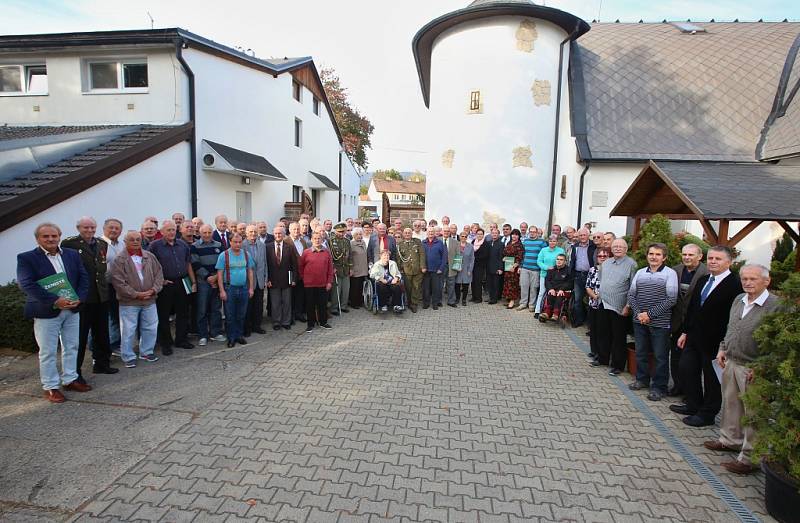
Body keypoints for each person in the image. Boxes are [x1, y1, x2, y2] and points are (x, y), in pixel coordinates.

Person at [704, 264, 780, 474]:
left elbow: (780, 342)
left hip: (754, 368)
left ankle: (751, 458)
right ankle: (730, 440)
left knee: (754, 414)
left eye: (752, 279)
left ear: (766, 281)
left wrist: (764, 366)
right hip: (731, 361)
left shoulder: (776, 306)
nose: (747, 282)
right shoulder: (739, 299)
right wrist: (722, 348)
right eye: (744, 278)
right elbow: (731, 327)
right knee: (731, 405)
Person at [17, 223, 90, 403]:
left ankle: (70, 379)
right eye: (46, 236)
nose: (50, 239)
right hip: (46, 311)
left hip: (72, 309)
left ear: (59, 236)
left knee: (72, 346)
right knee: (48, 351)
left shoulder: (71, 255)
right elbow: (26, 284)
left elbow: (84, 277)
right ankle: (50, 386)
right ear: (38, 239)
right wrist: (55, 300)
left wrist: (80, 297)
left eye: (54, 236)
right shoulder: (27, 258)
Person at [671, 246, 743, 427]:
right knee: (687, 368)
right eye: (711, 258)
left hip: (716, 341)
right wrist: (685, 332)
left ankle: (707, 414)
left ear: (729, 262)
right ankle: (693, 404)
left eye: (718, 259)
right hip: (694, 336)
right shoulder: (703, 280)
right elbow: (693, 308)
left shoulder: (735, 285)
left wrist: (725, 344)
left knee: (712, 379)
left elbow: (734, 317)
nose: (712, 262)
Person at [61, 217, 118, 379]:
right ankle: (75, 372)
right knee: (79, 337)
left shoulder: (101, 244)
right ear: (78, 228)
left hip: (101, 296)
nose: (89, 230)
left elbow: (101, 270)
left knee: (102, 333)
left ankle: (102, 364)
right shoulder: (70, 244)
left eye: (92, 227)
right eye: (86, 227)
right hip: (83, 297)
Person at [627, 243, 679, 401]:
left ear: (664, 257)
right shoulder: (640, 272)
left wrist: (649, 314)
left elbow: (672, 299)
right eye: (651, 254)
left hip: (660, 323)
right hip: (640, 321)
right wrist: (639, 314)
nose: (653, 257)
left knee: (660, 356)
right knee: (641, 353)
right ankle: (642, 380)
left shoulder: (670, 274)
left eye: (657, 254)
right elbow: (631, 295)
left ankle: (659, 387)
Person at [111, 230, 163, 368]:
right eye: (131, 239)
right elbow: (118, 282)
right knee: (128, 330)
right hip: (129, 302)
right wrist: (136, 294)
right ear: (125, 242)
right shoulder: (119, 259)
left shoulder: (149, 256)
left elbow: (159, 274)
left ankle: (146, 351)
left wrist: (153, 290)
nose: (135, 242)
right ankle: (128, 356)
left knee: (150, 327)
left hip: (150, 299)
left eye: (138, 239)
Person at [148, 220, 196, 355]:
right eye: (168, 230)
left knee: (183, 313)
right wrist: (160, 281)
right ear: (161, 232)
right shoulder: (154, 246)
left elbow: (188, 264)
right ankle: (166, 343)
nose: (171, 232)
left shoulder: (183, 245)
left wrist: (193, 282)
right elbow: (149, 266)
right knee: (163, 315)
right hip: (165, 284)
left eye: (173, 230)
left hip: (182, 282)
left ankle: (181, 340)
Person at [669, 244, 708, 396]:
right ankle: (677, 386)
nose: (687, 257)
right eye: (684, 254)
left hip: (694, 324)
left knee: (691, 361)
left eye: (691, 255)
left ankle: (689, 392)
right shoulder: (675, 270)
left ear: (699, 256)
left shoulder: (707, 273)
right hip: (677, 321)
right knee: (675, 356)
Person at [599, 239, 638, 376]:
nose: (617, 249)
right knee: (604, 333)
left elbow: (633, 288)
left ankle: (618, 365)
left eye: (621, 247)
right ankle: (603, 358)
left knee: (619, 337)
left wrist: (628, 306)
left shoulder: (632, 264)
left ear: (626, 249)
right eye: (615, 246)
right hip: (603, 303)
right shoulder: (607, 262)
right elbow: (601, 279)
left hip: (619, 306)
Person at [216, 233, 254, 347]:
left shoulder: (246, 254)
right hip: (229, 289)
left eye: (240, 242)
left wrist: (251, 288)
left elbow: (250, 272)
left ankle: (239, 335)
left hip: (243, 289)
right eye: (235, 242)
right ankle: (231, 337)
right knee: (230, 315)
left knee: (241, 314)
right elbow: (219, 274)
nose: (238, 244)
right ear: (230, 242)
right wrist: (222, 291)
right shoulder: (224, 255)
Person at [191, 224, 225, 346]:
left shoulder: (218, 245)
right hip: (203, 283)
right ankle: (203, 335)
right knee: (202, 310)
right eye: (204, 233)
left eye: (209, 232)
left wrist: (216, 277)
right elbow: (195, 264)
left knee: (216, 308)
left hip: (216, 281)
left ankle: (215, 333)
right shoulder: (194, 246)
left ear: (212, 233)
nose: (207, 235)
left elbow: (222, 262)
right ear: (200, 233)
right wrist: (208, 277)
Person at [299, 231, 334, 332]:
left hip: (323, 283)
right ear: (311, 240)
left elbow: (330, 268)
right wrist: (304, 279)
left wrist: (329, 282)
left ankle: (323, 322)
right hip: (309, 284)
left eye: (319, 238)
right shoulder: (306, 252)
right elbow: (300, 267)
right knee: (310, 305)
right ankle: (311, 324)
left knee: (322, 304)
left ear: (322, 240)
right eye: (314, 238)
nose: (317, 240)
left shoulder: (326, 252)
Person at [266, 225, 297, 330]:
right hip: (273, 280)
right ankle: (276, 322)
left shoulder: (289, 247)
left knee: (287, 302)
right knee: (275, 303)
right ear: (273, 234)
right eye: (276, 233)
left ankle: (286, 322)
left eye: (280, 233)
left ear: (284, 235)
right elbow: (266, 265)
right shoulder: (268, 247)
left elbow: (294, 265)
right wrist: (267, 279)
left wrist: (293, 279)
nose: (278, 235)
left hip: (287, 279)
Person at [101, 218, 124, 356]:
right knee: (104, 318)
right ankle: (98, 350)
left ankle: (115, 345)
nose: (114, 230)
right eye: (111, 227)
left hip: (119, 286)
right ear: (104, 229)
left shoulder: (121, 245)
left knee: (116, 316)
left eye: (117, 228)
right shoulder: (99, 244)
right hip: (104, 286)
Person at [587, 247, 610, 366]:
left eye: (604, 256)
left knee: (602, 331)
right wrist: (594, 296)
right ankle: (594, 351)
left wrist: (601, 298)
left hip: (605, 305)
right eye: (599, 256)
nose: (602, 258)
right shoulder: (592, 269)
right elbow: (588, 286)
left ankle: (601, 355)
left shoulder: (611, 270)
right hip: (593, 302)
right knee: (593, 328)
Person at [568, 228, 596, 327]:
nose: (582, 237)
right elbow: (572, 260)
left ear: (588, 235)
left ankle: (590, 323)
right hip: (578, 275)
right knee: (577, 300)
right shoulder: (575, 246)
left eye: (584, 235)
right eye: (580, 235)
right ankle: (579, 320)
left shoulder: (593, 246)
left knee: (591, 300)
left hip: (590, 275)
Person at [243, 225, 268, 336]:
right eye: (251, 232)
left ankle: (257, 326)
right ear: (246, 233)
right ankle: (247, 328)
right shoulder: (242, 245)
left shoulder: (262, 245)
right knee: (248, 306)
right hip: (248, 281)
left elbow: (265, 263)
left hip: (260, 280)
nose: (253, 233)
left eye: (255, 231)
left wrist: (266, 278)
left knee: (259, 306)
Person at [397, 227, 426, 313]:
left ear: (411, 233)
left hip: (418, 269)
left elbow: (422, 254)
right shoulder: (400, 244)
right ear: (403, 234)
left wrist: (423, 266)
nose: (407, 234)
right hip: (407, 270)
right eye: (405, 233)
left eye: (409, 233)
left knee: (416, 287)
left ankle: (414, 304)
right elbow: (398, 258)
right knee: (408, 288)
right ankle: (409, 302)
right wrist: (400, 269)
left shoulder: (417, 242)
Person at [535, 235, 565, 316]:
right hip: (544, 274)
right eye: (551, 241)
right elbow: (539, 261)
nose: (552, 242)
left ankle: (551, 311)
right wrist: (547, 268)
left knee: (554, 293)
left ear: (557, 242)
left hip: (556, 276)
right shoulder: (543, 250)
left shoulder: (561, 250)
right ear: (548, 241)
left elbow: (562, 261)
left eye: (554, 241)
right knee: (542, 292)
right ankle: (537, 311)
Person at [519, 226, 546, 312]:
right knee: (524, 286)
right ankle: (523, 303)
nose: (532, 233)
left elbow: (544, 255)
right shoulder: (525, 241)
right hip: (525, 268)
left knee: (534, 288)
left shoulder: (542, 242)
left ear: (537, 232)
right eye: (530, 231)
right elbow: (522, 255)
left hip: (536, 269)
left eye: (534, 232)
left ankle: (532, 305)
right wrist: (520, 266)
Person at [539, 254, 573, 321]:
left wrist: (561, 289)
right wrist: (551, 289)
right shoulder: (551, 269)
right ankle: (547, 313)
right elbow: (547, 281)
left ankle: (556, 314)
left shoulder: (569, 270)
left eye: (561, 260)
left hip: (564, 291)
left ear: (565, 261)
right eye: (557, 259)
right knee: (550, 294)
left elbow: (570, 283)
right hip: (553, 289)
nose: (559, 261)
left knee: (559, 295)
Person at [287, 222, 310, 324]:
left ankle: (299, 313)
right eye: (294, 229)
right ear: (290, 230)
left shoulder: (303, 241)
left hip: (302, 273)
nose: (296, 231)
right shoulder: (286, 241)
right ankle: (291, 316)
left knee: (300, 294)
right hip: (291, 273)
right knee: (291, 295)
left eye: (297, 229)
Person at [329, 223, 352, 315]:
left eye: (343, 231)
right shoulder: (331, 241)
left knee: (346, 289)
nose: (342, 233)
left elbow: (350, 255)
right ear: (335, 231)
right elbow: (330, 256)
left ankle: (343, 306)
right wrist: (333, 267)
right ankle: (334, 307)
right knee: (336, 290)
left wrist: (351, 267)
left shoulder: (347, 241)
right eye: (340, 232)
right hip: (337, 268)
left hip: (345, 268)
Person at [422, 227, 447, 309]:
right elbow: (420, 256)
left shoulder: (440, 243)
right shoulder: (423, 243)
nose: (431, 233)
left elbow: (444, 257)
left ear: (435, 233)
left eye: (432, 232)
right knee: (426, 288)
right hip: (425, 270)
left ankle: (435, 304)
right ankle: (426, 303)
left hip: (436, 270)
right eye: (429, 231)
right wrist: (422, 267)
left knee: (436, 288)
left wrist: (441, 268)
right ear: (427, 233)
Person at [501, 229, 524, 309]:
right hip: (507, 266)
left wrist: (514, 266)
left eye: (516, 234)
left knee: (513, 284)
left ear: (519, 236)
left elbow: (520, 257)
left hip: (514, 268)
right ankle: (509, 299)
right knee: (507, 283)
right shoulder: (509, 243)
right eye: (513, 234)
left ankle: (512, 301)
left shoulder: (519, 245)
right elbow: (505, 253)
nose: (514, 236)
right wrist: (504, 258)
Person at [349, 228, 369, 309]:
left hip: (363, 268)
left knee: (361, 286)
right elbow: (349, 257)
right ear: (353, 235)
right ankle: (353, 303)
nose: (359, 236)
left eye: (360, 234)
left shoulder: (363, 242)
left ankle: (359, 301)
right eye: (357, 234)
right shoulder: (351, 243)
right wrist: (351, 268)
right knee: (355, 287)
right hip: (355, 268)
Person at [454, 231, 475, 306]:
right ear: (460, 237)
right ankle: (457, 298)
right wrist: (455, 267)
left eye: (465, 236)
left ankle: (464, 300)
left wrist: (470, 270)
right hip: (457, 268)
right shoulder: (456, 245)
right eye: (462, 236)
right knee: (457, 284)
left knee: (466, 285)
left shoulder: (470, 246)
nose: (464, 238)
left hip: (466, 268)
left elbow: (472, 259)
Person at [485, 228, 505, 304]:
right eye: (493, 233)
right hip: (488, 267)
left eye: (496, 233)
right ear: (491, 234)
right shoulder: (488, 242)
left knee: (495, 284)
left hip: (496, 267)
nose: (494, 234)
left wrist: (500, 268)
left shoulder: (501, 244)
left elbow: (501, 257)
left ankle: (494, 299)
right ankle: (491, 297)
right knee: (489, 283)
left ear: (498, 234)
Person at [442, 225, 460, 307]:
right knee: (439, 284)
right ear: (442, 232)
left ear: (450, 232)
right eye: (444, 231)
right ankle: (438, 301)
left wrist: (456, 267)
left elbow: (458, 255)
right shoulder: (438, 241)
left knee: (451, 285)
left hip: (451, 267)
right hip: (440, 267)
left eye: (447, 231)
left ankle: (451, 301)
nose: (446, 233)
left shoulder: (455, 242)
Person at [471, 228, 488, 303]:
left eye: (481, 234)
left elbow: (485, 255)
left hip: (480, 265)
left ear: (483, 235)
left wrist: (474, 257)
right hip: (472, 265)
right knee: (473, 281)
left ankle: (478, 298)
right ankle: (473, 297)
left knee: (478, 282)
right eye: (478, 234)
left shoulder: (485, 243)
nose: (479, 235)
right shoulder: (473, 241)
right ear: (476, 234)